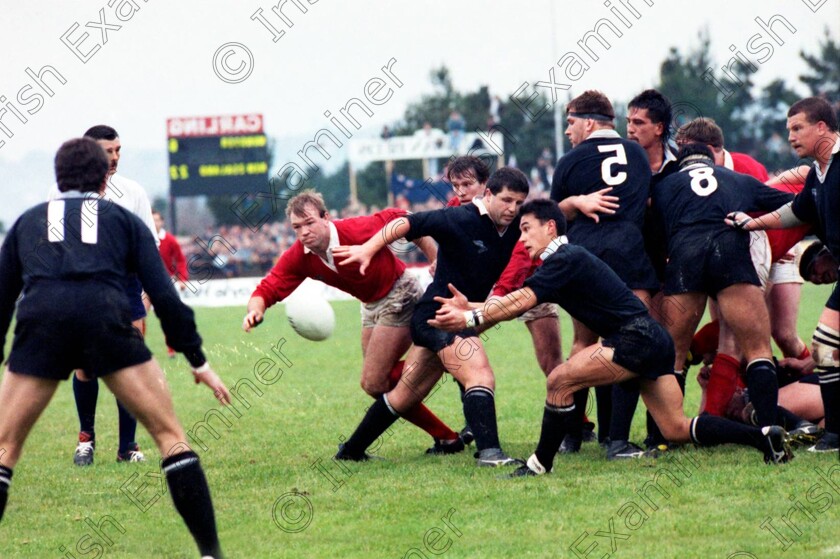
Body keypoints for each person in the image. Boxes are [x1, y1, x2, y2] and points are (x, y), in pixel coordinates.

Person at [427, 200, 792, 477]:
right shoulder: (563, 261)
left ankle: (539, 465)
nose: (521, 240)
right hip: (654, 340)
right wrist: (472, 304)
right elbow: (521, 300)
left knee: (559, 379)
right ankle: (763, 436)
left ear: (550, 227)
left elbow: (521, 300)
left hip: (633, 339)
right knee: (676, 428)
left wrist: (470, 317)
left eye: (526, 229)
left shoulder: (563, 259)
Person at [0, 138, 230, 558]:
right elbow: (165, 296)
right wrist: (198, 360)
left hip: (42, 325)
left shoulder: (26, 223)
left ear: (58, 177)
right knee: (170, 437)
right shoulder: (124, 220)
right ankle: (212, 554)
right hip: (106, 320)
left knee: (4, 448)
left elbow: (0, 304)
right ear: (104, 178)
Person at [331, 167, 530, 467]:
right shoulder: (459, 218)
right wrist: (368, 249)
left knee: (404, 395)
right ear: (488, 194)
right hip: (438, 314)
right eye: (507, 201)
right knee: (479, 374)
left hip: (457, 314)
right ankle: (490, 454)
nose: (513, 209)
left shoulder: (517, 223)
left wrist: (576, 202)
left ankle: (351, 450)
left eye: (518, 202)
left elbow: (553, 211)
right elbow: (405, 223)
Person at [242, 190, 463, 454]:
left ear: (326, 217)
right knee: (377, 386)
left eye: (310, 222)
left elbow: (405, 220)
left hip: (399, 292)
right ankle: (447, 436)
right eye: (296, 227)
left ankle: (441, 362)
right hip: (370, 305)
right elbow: (267, 288)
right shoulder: (300, 255)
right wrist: (255, 311)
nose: (304, 232)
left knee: (373, 381)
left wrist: (434, 257)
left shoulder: (357, 229)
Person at [652, 143, 794, 434]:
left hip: (685, 254)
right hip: (729, 250)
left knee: (674, 355)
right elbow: (794, 204)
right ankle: (769, 432)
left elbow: (654, 232)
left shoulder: (664, 186)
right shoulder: (736, 178)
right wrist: (757, 222)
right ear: (711, 160)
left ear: (681, 164)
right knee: (757, 349)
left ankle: (662, 437)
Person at [726, 97, 840, 452]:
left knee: (823, 342)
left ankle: (833, 432)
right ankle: (833, 432)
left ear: (822, 127)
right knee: (823, 347)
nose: (790, 137)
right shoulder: (820, 174)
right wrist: (751, 223)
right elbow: (793, 211)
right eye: (788, 129)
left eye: (797, 128)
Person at [550, 90, 658, 460]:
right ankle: (617, 441)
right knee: (631, 341)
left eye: (571, 122)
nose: (567, 131)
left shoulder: (570, 162)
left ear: (590, 122)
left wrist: (572, 205)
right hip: (628, 254)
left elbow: (553, 217)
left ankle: (571, 435)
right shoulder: (640, 157)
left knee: (583, 343)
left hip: (584, 257)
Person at [48, 125, 157, 466]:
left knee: (129, 366)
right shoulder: (61, 194)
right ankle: (86, 439)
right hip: (81, 290)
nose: (114, 158)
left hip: (126, 291)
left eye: (118, 150)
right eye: (108, 151)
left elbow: (148, 245)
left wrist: (148, 293)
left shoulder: (133, 192)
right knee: (85, 366)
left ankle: (128, 446)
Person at [152, 210, 189, 358]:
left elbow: (180, 259)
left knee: (167, 316)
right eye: (152, 220)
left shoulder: (170, 240)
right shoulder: (143, 237)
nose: (155, 223)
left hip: (165, 282)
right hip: (144, 282)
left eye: (157, 220)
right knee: (139, 316)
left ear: (162, 222)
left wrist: (182, 279)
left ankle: (171, 348)